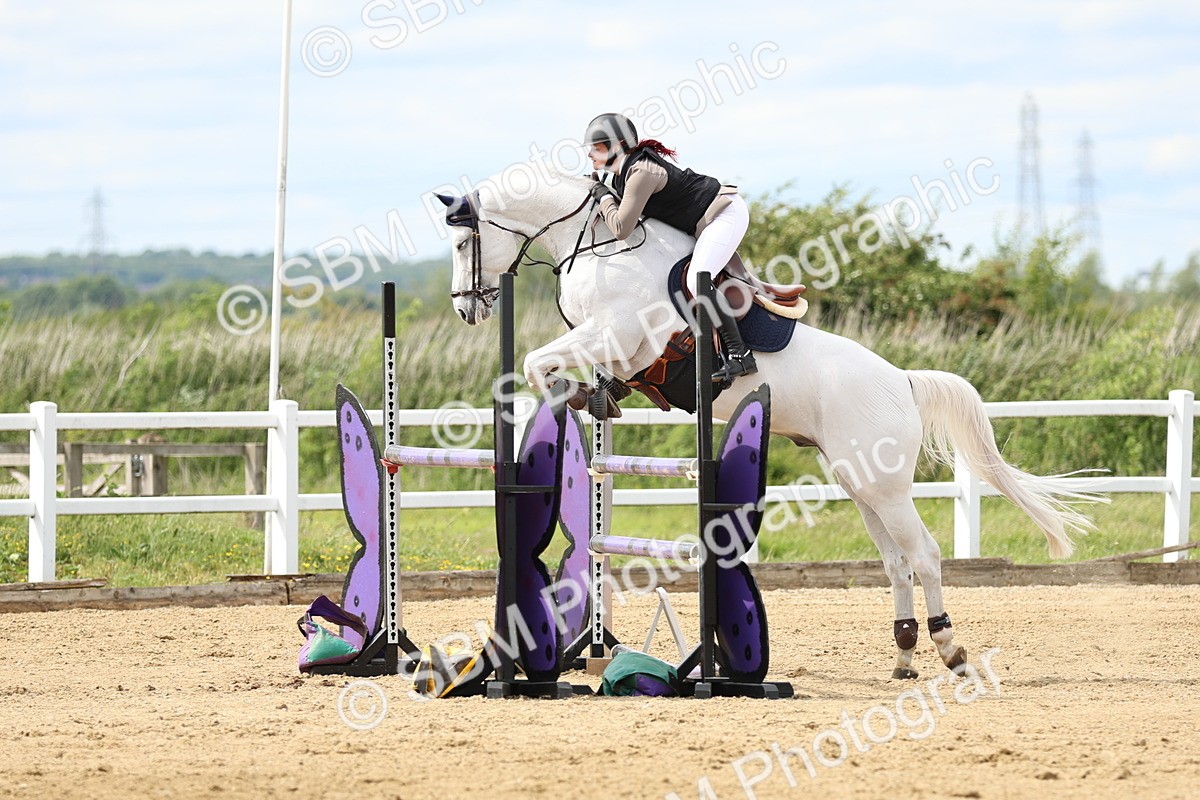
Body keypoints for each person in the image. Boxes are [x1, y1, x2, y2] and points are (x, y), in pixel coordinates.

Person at [583, 112, 756, 383]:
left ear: (616, 147)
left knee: (697, 278)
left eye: (596, 147)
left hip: (724, 214)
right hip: (701, 222)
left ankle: (740, 354)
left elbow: (620, 229)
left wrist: (602, 195)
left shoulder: (640, 172)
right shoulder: (622, 175)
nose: (590, 154)